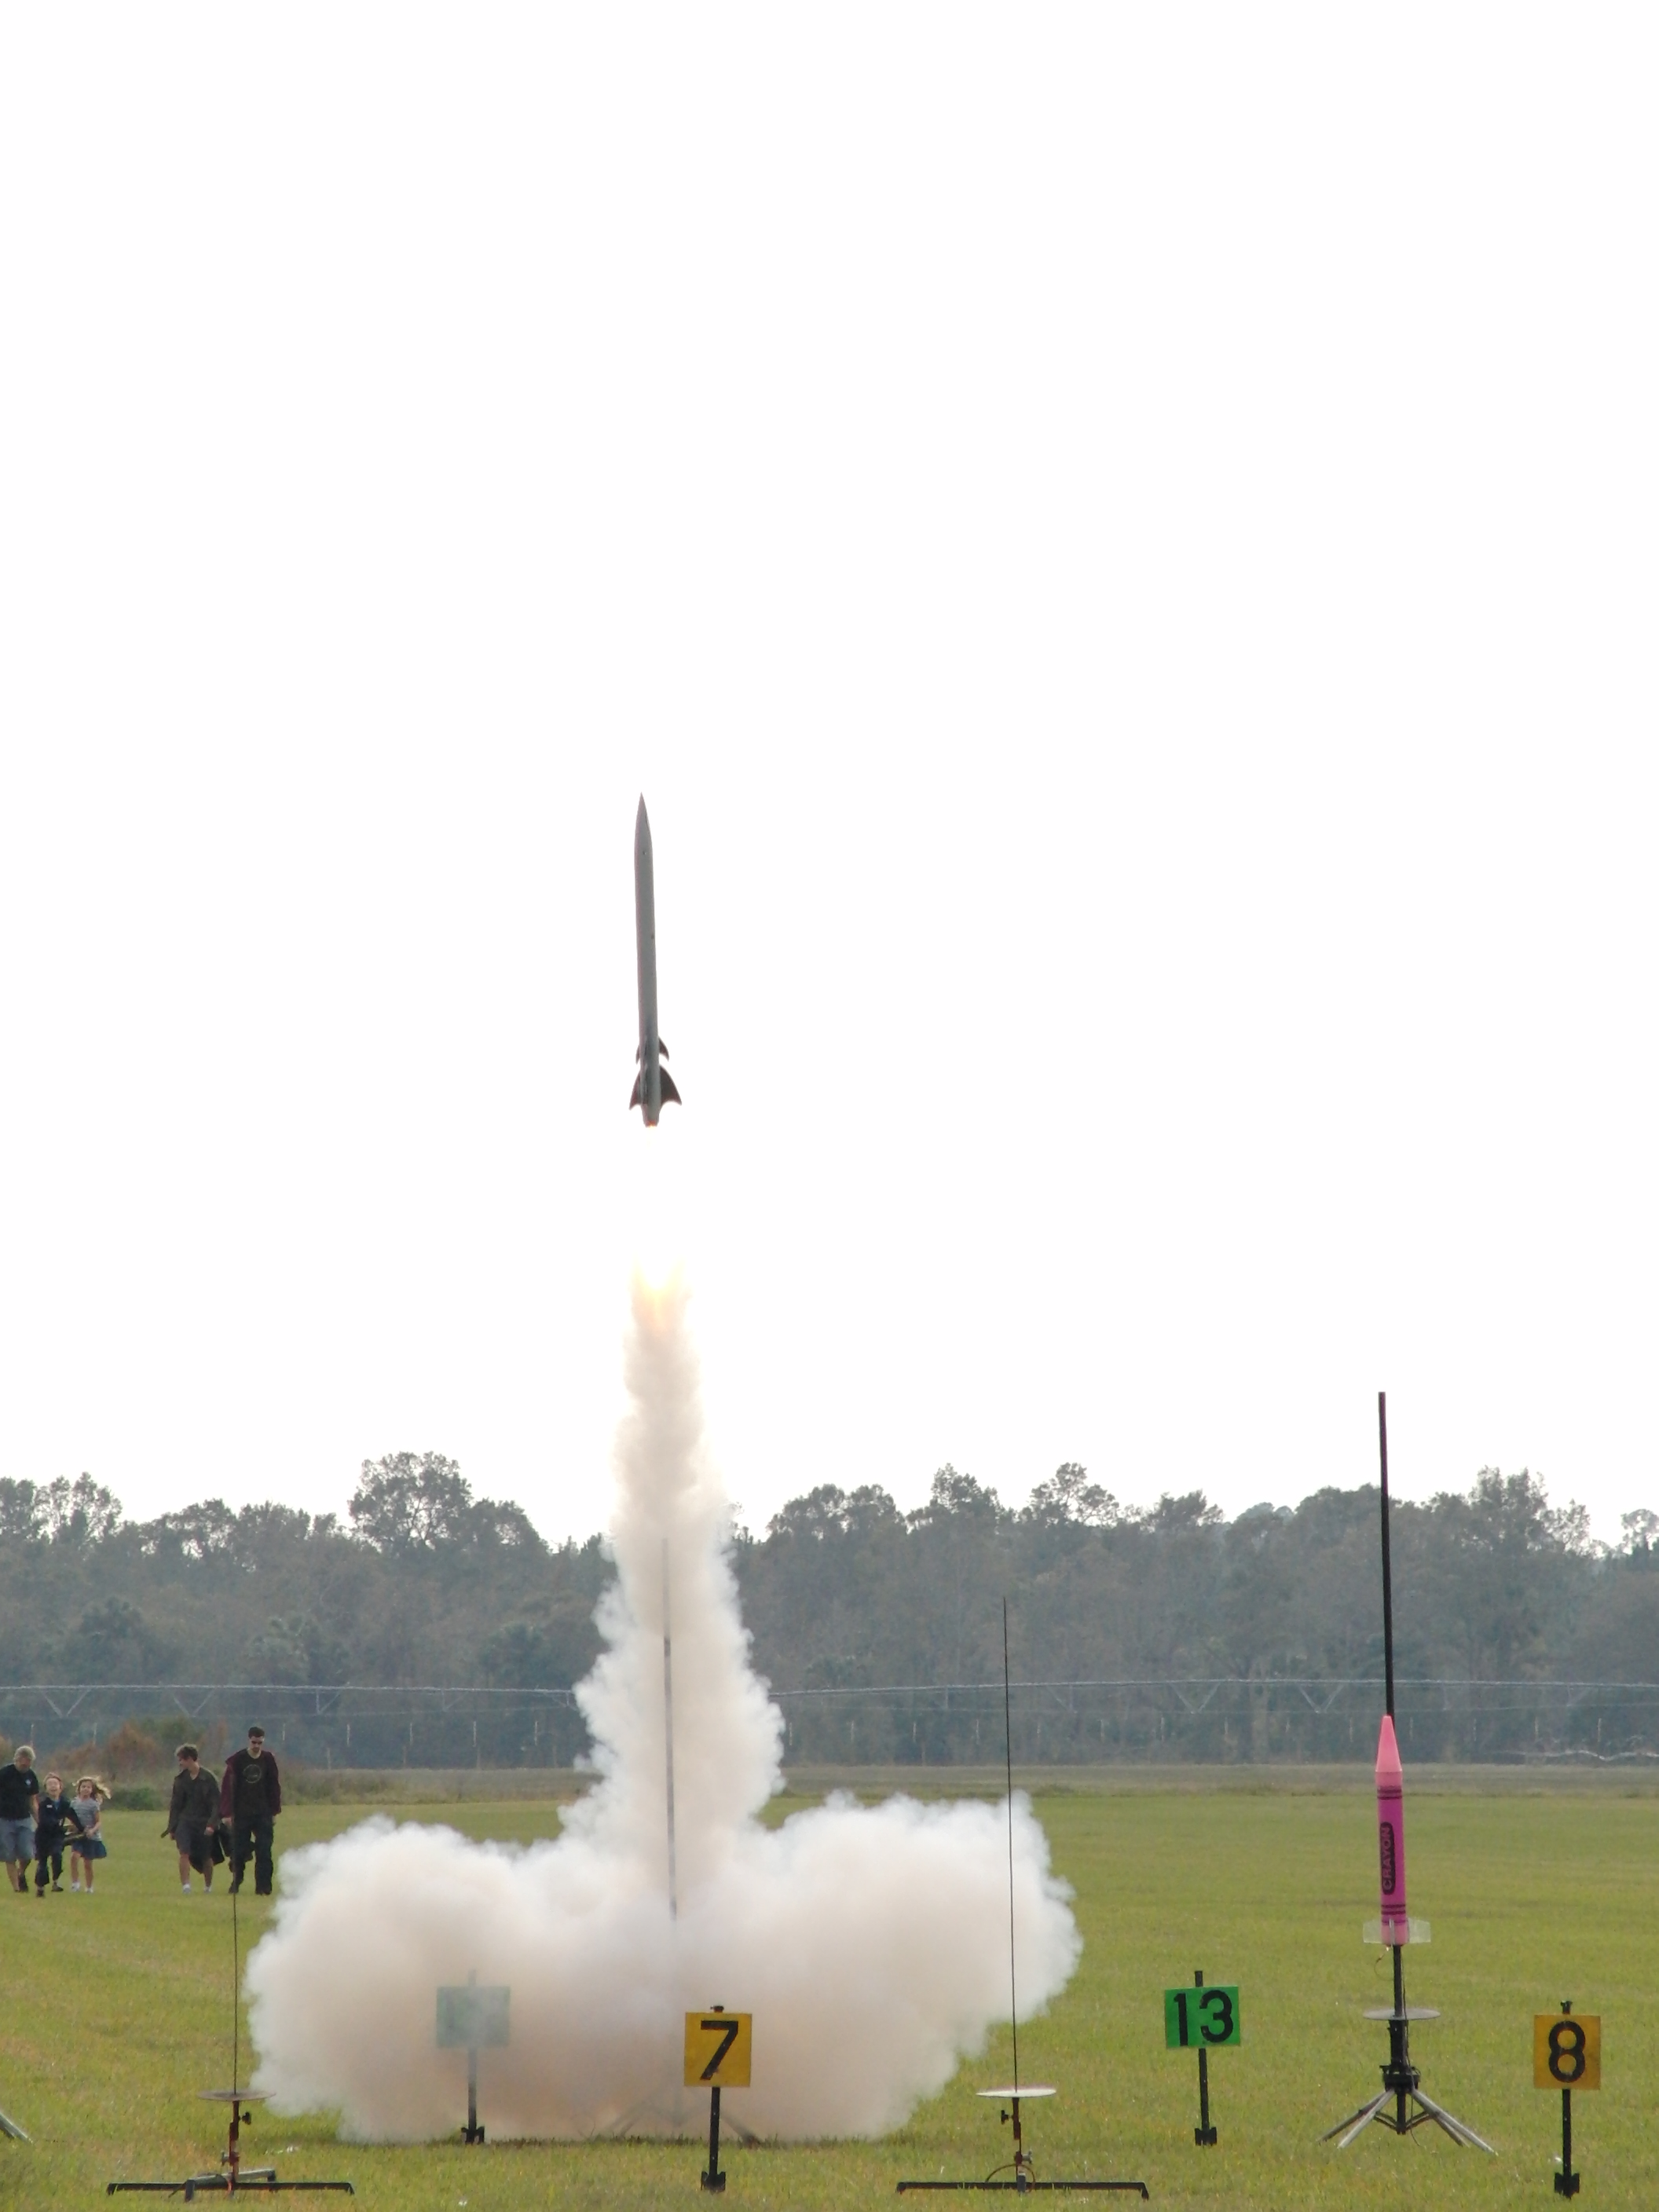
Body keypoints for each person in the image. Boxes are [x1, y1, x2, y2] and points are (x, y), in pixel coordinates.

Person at [221, 1727, 282, 1896]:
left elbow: (274, 1786)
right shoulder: (237, 1760)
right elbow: (227, 1788)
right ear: (249, 1740)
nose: (256, 1746)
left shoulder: (268, 1760)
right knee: (239, 1851)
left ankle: (263, 1887)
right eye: (254, 1742)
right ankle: (237, 1880)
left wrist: (274, 1811)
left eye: (260, 1743)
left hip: (263, 1812)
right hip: (242, 1813)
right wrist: (227, 1813)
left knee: (264, 1851)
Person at [165, 1744, 222, 1894]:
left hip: (204, 1822)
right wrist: (172, 1827)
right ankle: (186, 1886)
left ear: (190, 1759)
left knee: (206, 1856)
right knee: (184, 1852)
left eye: (181, 1760)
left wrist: (212, 1824)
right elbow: (175, 1805)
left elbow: (217, 1804)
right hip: (185, 1821)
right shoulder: (180, 1780)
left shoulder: (209, 1778)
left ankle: (208, 1887)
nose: (180, 1763)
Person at [0, 1745, 40, 1895]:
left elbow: (32, 1800)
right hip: (4, 1819)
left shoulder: (31, 1776)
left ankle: (20, 1873)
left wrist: (39, 1820)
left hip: (24, 1819)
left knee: (27, 1853)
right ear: (17, 1759)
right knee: (9, 1854)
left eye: (29, 1762)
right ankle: (17, 1888)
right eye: (24, 1761)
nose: (26, 1765)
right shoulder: (4, 1773)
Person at [34, 1773, 75, 1895]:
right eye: (50, 1784)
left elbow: (73, 1816)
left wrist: (81, 1828)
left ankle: (56, 1882)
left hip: (57, 1836)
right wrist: (59, 1824)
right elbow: (44, 1820)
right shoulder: (43, 1804)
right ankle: (40, 1888)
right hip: (43, 1837)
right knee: (42, 1863)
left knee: (57, 1855)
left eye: (55, 1784)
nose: (53, 1786)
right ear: (46, 1788)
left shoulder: (65, 1803)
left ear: (60, 1787)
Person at [68, 1776, 110, 1892]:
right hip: (78, 1836)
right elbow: (71, 1819)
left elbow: (98, 1822)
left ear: (92, 1790)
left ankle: (89, 1887)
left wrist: (92, 1831)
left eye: (88, 1787)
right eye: (83, 1787)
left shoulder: (93, 1804)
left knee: (87, 1863)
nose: (86, 1789)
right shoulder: (74, 1803)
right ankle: (75, 1883)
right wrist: (71, 1828)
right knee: (74, 1857)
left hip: (90, 1837)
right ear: (79, 1788)